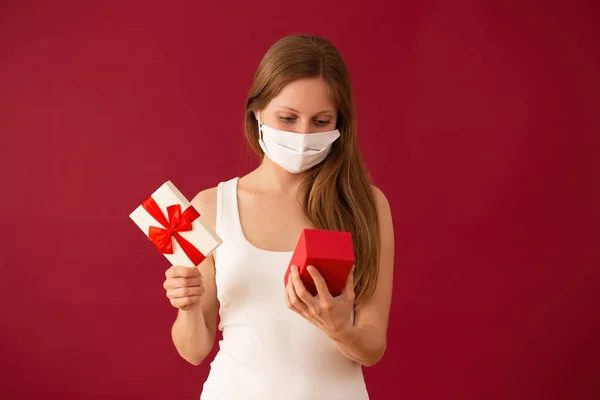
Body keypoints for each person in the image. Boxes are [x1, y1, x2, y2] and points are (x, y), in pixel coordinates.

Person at [162, 34, 395, 399]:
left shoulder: (365, 205)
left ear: (340, 124)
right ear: (257, 112)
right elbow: (193, 351)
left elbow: (372, 346)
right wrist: (187, 305)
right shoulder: (208, 207)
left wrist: (337, 327)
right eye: (287, 118)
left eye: (321, 121)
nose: (303, 135)